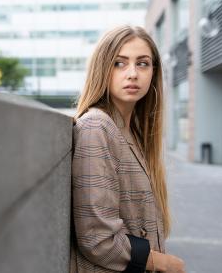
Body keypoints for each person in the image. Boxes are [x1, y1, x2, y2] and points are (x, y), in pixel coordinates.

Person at [70, 25, 186, 273]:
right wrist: (162, 262)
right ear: (102, 68)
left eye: (142, 63)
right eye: (119, 63)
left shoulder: (131, 130)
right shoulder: (96, 126)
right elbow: (97, 238)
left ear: (154, 72)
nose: (132, 73)